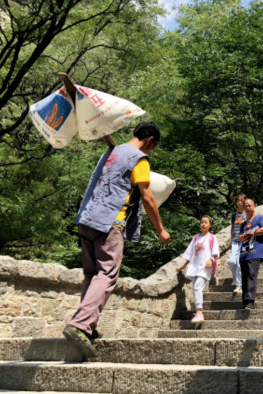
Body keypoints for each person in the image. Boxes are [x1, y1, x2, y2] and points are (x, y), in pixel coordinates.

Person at [63, 122, 171, 358]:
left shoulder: (113, 152)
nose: (151, 151)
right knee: (108, 274)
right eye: (153, 147)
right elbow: (147, 198)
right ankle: (80, 325)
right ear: (150, 140)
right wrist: (160, 230)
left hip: (87, 218)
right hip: (109, 222)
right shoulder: (140, 159)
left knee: (92, 274)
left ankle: (87, 327)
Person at [176, 215, 220, 323]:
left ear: (210, 225)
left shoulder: (212, 237)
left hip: (205, 267)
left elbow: (215, 253)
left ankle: (199, 312)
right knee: (196, 289)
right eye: (202, 222)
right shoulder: (196, 238)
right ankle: (198, 311)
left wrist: (210, 259)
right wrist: (183, 266)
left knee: (197, 287)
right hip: (195, 267)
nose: (203, 224)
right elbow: (190, 254)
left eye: (206, 222)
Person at [238, 197, 263, 310]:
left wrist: (252, 232)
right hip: (244, 253)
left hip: (255, 252)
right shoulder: (243, 223)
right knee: (244, 277)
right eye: (245, 206)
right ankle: (245, 300)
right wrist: (247, 234)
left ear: (254, 206)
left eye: (249, 205)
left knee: (251, 275)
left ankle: (250, 300)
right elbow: (240, 238)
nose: (247, 207)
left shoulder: (260, 217)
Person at [227, 194, 246, 295]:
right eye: (238, 201)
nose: (240, 203)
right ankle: (235, 277)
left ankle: (239, 285)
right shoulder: (234, 215)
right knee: (231, 261)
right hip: (235, 241)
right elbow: (232, 229)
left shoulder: (247, 214)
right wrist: (230, 241)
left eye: (242, 201)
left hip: (243, 241)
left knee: (239, 263)